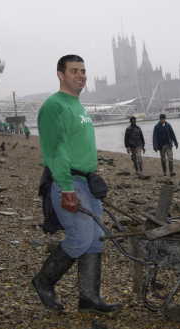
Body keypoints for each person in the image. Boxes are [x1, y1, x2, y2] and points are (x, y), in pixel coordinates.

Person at [33, 54, 121, 314]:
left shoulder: (78, 105)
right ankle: (43, 281)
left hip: (87, 182)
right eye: (74, 71)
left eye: (83, 71)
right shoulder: (54, 106)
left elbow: (77, 145)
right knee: (80, 237)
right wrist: (67, 188)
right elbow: (55, 149)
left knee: (95, 239)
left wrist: (93, 171)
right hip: (69, 181)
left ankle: (89, 298)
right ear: (61, 74)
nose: (81, 75)